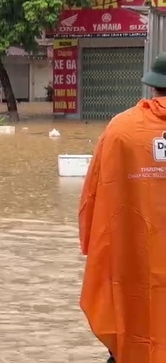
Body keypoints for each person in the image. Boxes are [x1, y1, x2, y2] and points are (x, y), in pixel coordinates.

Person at [79, 53, 166, 363]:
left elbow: (92, 197)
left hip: (134, 266)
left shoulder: (120, 130)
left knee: (134, 329)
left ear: (152, 86)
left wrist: (92, 244)